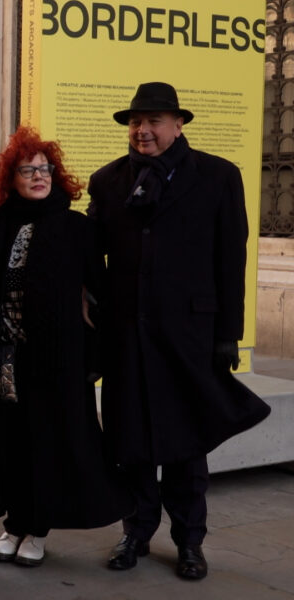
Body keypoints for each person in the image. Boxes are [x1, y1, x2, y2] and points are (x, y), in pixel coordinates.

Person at [87, 82, 271, 580]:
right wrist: (90, 300)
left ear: (178, 124)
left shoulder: (217, 177)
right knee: (130, 441)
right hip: (127, 337)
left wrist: (227, 334)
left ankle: (190, 542)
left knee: (187, 445)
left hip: (189, 336)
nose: (142, 131)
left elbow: (231, 259)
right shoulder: (107, 182)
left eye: (153, 121)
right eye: (135, 122)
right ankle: (136, 531)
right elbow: (92, 255)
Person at [0, 126, 132, 567]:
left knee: (48, 443)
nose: (39, 176)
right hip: (5, 357)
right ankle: (15, 523)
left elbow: (100, 290)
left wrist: (90, 335)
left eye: (45, 169)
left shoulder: (77, 228)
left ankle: (37, 530)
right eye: (28, 170)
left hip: (56, 361)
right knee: (11, 442)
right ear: (11, 178)